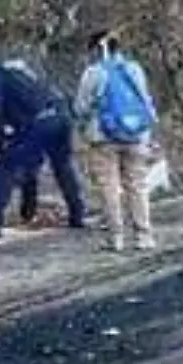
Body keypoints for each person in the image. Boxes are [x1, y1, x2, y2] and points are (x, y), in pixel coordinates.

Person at [0, 48, 87, 239]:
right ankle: (77, 214)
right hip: (61, 115)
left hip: (39, 121)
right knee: (62, 165)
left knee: (6, 167)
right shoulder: (14, 71)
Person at [74, 30, 159, 252]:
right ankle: (144, 236)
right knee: (137, 185)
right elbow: (145, 100)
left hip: (104, 138)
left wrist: (82, 127)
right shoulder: (134, 68)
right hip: (137, 135)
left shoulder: (93, 72)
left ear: (96, 49)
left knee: (109, 187)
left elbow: (80, 107)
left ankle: (116, 238)